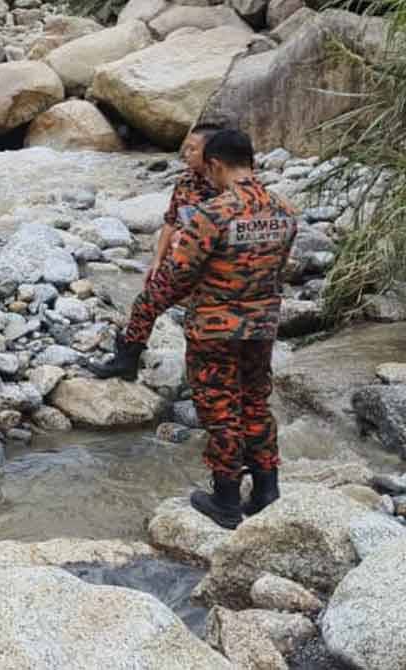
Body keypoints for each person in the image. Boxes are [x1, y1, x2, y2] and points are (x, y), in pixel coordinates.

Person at [90, 129, 299, 530]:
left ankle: (224, 499)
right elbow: (278, 269)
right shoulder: (285, 210)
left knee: (220, 410)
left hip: (215, 329)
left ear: (216, 165)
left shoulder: (213, 214)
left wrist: (138, 326)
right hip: (262, 326)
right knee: (255, 401)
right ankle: (267, 489)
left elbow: (174, 279)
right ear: (251, 162)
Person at [147, 124, 222, 284]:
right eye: (186, 148)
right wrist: (157, 260)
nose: (186, 154)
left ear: (211, 153)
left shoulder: (227, 186)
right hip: (180, 261)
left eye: (192, 149)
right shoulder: (185, 181)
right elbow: (171, 221)